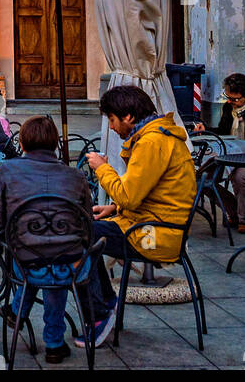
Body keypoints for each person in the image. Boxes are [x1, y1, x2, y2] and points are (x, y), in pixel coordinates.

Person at [82, 84, 197, 346]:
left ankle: (100, 312)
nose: (111, 127)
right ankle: (105, 303)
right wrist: (114, 209)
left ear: (128, 117)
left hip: (153, 235)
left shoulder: (152, 142)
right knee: (86, 229)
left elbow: (129, 196)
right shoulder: (156, 136)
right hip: (152, 225)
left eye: (112, 119)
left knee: (80, 235)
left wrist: (103, 169)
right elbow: (154, 194)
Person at [0, 115, 94, 364]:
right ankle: (54, 342)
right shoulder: (76, 177)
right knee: (57, 258)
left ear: (22, 144)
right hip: (70, 266)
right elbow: (88, 227)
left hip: (25, 263)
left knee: (37, 258)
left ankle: (17, 310)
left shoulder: (7, 170)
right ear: (55, 143)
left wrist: (8, 242)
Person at [194, 72, 245, 231]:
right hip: (230, 154)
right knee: (201, 178)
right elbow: (222, 131)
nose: (229, 101)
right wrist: (206, 129)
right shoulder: (228, 107)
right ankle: (233, 211)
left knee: (240, 176)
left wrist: (244, 152)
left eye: (234, 99)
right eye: (227, 97)